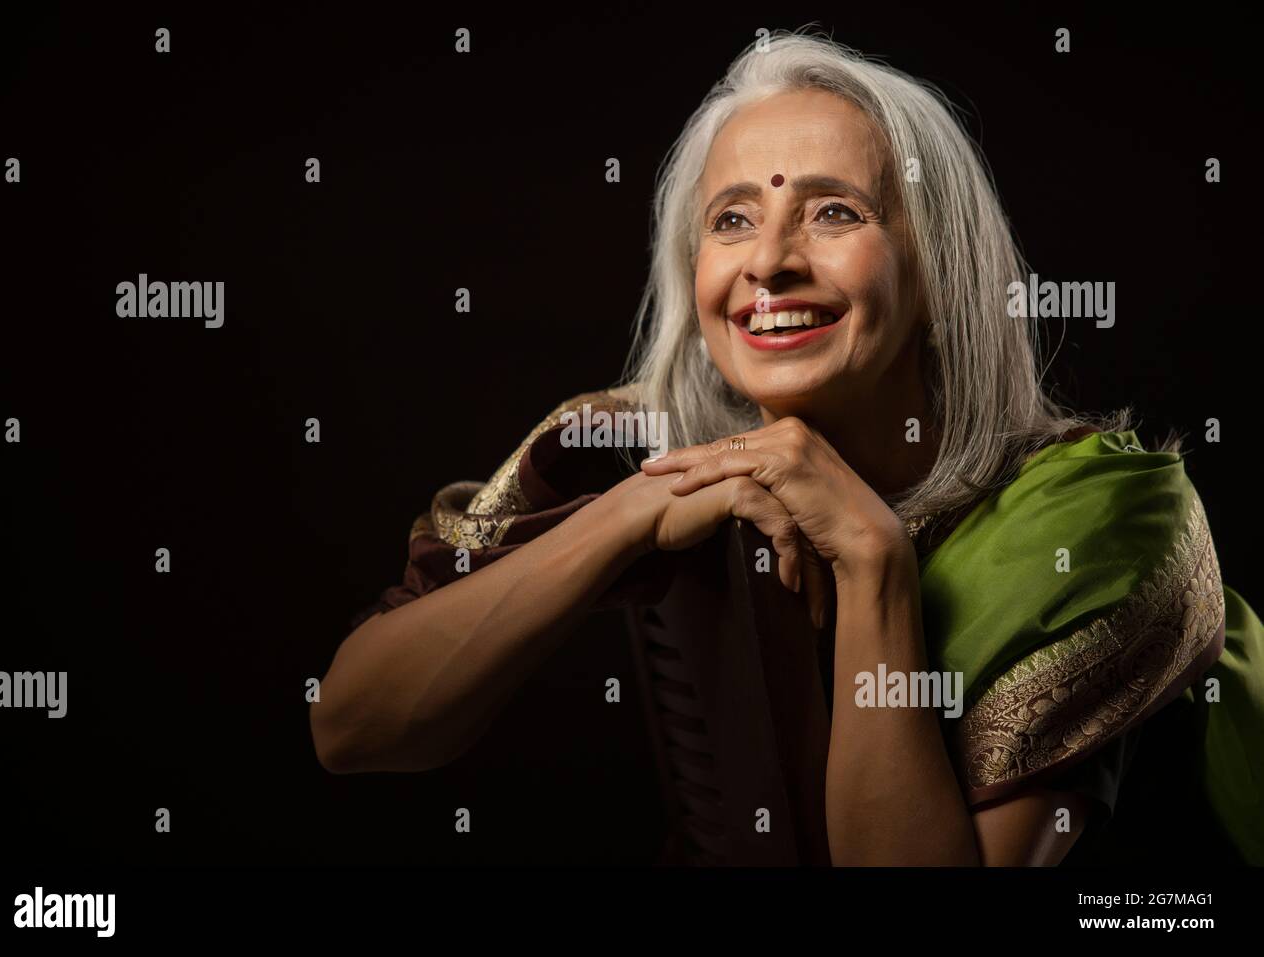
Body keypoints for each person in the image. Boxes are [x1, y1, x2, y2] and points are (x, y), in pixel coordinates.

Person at [309, 30, 1262, 866]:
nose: (768, 261)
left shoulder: (1091, 515)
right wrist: (634, 509)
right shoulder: (623, 443)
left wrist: (874, 563)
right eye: (732, 220)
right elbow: (351, 726)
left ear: (937, 270)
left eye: (834, 212)